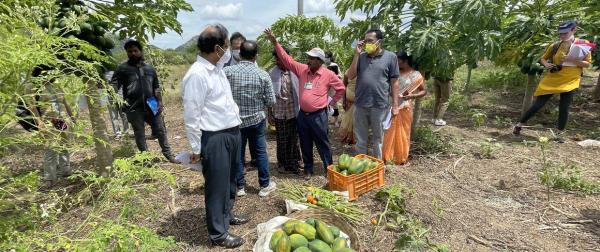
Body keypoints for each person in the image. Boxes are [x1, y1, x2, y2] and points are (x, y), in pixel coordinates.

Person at [182, 24, 248, 249]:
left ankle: (227, 214)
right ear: (218, 48)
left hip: (231, 132)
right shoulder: (197, 75)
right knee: (216, 186)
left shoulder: (217, 68)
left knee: (230, 180)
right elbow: (192, 115)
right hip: (215, 137)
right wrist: (196, 148)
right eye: (228, 45)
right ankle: (218, 234)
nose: (230, 50)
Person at [264, 28, 345, 179]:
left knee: (323, 143)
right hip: (303, 115)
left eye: (313, 58)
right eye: (309, 57)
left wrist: (331, 102)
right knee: (305, 143)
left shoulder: (328, 74)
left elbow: (341, 88)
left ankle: (329, 168)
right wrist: (275, 42)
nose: (309, 60)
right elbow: (287, 59)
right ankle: (308, 169)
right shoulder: (302, 70)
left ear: (320, 61)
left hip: (319, 115)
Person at [513, 21, 592, 142]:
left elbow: (587, 64)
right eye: (560, 34)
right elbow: (543, 58)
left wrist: (573, 60)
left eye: (565, 33)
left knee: (564, 107)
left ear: (574, 30)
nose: (562, 36)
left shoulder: (583, 44)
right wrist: (546, 64)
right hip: (553, 78)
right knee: (538, 104)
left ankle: (559, 134)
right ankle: (519, 125)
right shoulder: (555, 45)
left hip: (571, 79)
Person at [224, 40, 277, 197]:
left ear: (239, 55)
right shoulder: (262, 74)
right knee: (260, 151)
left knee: (238, 153)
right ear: (256, 56)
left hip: (235, 121)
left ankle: (240, 186)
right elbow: (271, 101)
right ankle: (264, 185)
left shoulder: (228, 72)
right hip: (257, 120)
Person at [113, 40, 179, 163]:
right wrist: (114, 96)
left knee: (160, 130)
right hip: (133, 107)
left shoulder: (150, 68)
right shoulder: (122, 69)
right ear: (127, 53)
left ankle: (168, 154)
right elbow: (114, 85)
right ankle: (146, 159)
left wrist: (159, 102)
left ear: (140, 51)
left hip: (152, 104)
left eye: (135, 51)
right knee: (140, 133)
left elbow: (156, 87)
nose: (133, 53)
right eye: (129, 51)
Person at [346, 28, 400, 160]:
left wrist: (395, 105)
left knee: (378, 139)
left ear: (379, 42)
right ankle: (361, 165)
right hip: (360, 104)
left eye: (370, 41)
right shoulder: (361, 57)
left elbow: (394, 82)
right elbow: (350, 76)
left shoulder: (391, 57)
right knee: (361, 139)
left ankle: (377, 165)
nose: (366, 43)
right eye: (365, 41)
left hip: (379, 104)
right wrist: (357, 55)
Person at [382, 51, 426, 165]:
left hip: (405, 108)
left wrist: (413, 95)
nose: (395, 63)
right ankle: (387, 157)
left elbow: (423, 91)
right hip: (390, 106)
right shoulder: (392, 72)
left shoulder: (416, 75)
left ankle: (400, 158)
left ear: (405, 61)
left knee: (403, 133)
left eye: (398, 61)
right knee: (388, 132)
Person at [268, 46, 303, 175]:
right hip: (279, 112)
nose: (278, 61)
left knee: (294, 138)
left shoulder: (295, 72)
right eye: (277, 59)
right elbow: (269, 95)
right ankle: (282, 163)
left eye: (281, 58)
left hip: (293, 111)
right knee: (282, 139)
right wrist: (269, 113)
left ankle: (294, 161)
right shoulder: (272, 73)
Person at [105, 70, 130, 140]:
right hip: (111, 97)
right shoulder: (105, 72)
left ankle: (126, 132)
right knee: (114, 116)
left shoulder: (120, 70)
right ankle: (118, 133)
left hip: (121, 96)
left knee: (123, 115)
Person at [340, 72, 356, 145]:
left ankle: (354, 138)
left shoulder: (363, 71)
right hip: (349, 102)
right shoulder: (347, 73)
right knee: (347, 119)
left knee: (356, 120)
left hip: (359, 101)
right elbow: (343, 86)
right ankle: (347, 137)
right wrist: (343, 101)